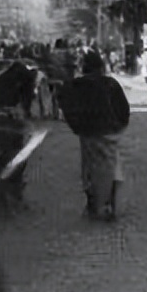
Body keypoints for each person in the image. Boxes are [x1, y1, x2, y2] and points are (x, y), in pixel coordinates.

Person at [58, 51, 130, 221]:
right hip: (110, 131)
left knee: (91, 168)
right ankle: (108, 204)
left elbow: (64, 103)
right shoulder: (110, 84)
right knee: (111, 165)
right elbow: (123, 109)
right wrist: (119, 126)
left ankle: (96, 204)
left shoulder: (75, 85)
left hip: (88, 132)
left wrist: (77, 126)